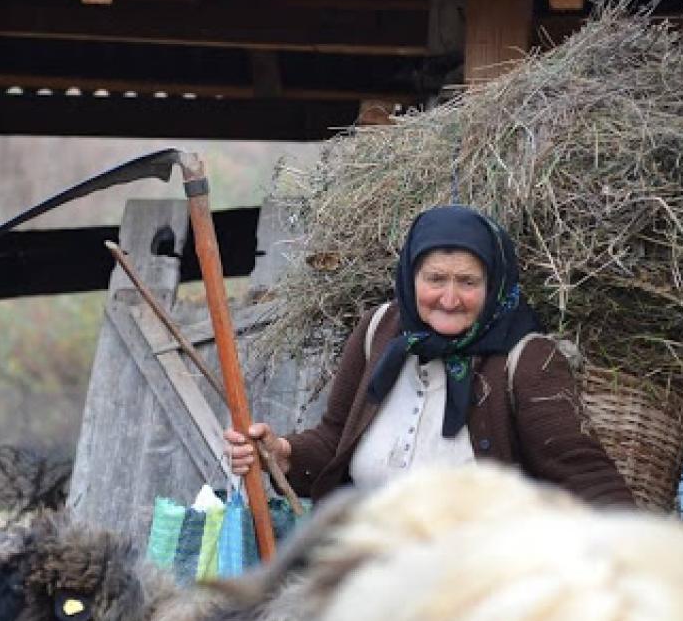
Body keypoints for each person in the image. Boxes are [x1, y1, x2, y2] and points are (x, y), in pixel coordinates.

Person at [225, 204, 634, 507]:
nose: (449, 298)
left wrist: (644, 563)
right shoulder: (379, 330)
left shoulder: (526, 360)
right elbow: (335, 440)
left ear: (494, 286)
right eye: (435, 278)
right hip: (370, 574)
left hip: (472, 593)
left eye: (468, 282)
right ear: (410, 276)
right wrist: (281, 453)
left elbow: (586, 476)